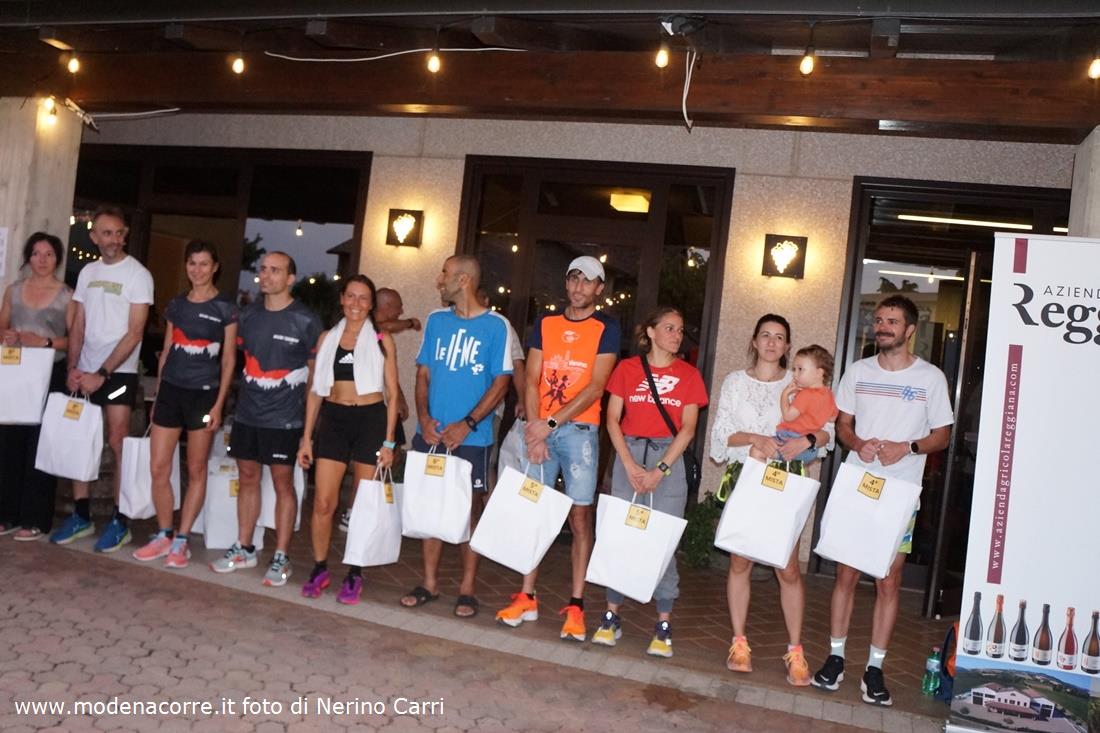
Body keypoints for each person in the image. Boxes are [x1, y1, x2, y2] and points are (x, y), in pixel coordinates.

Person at [811, 294, 953, 706]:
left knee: (888, 581)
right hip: (858, 485)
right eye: (879, 320)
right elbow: (843, 425)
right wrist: (857, 443)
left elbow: (942, 435)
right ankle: (836, 658)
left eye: (892, 321)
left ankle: (874, 668)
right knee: (846, 574)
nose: (883, 327)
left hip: (900, 494)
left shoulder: (930, 378)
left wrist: (907, 448)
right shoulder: (858, 371)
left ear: (910, 330)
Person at [496, 255, 620, 642]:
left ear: (599, 288)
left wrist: (548, 426)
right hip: (541, 428)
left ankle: (577, 604)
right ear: (566, 283)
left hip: (580, 431)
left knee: (580, 517)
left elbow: (596, 387)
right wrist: (535, 431)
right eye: (574, 278)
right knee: (535, 510)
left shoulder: (607, 328)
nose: (580, 287)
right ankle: (527, 596)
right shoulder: (546, 323)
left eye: (588, 281)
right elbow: (532, 378)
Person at [709, 314, 832, 686]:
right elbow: (722, 434)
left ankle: (796, 650)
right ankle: (739, 642)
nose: (772, 342)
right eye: (765, 335)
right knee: (740, 561)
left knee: (787, 567)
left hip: (785, 479)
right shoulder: (735, 381)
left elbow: (826, 429)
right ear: (754, 340)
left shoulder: (800, 382)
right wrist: (755, 438)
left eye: (779, 337)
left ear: (788, 345)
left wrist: (806, 441)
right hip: (747, 476)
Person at [400, 255, 512, 618]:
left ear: (463, 280)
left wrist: (468, 424)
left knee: (469, 511)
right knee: (430, 506)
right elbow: (423, 374)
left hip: (473, 439)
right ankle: (429, 583)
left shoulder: (497, 326)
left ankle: (467, 588)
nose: (439, 280)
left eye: (445, 274)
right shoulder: (436, 320)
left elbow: (501, 383)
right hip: (431, 434)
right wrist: (423, 418)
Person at [593, 307, 707, 657]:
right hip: (629, 455)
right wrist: (628, 464)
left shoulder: (689, 375)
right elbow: (612, 419)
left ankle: (663, 622)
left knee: (662, 540)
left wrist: (660, 470)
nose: (677, 335)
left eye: (680, 330)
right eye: (669, 328)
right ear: (651, 332)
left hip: (667, 459)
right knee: (620, 535)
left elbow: (688, 428)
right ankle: (611, 614)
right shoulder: (627, 369)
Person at [210, 251, 322, 587]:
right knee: (247, 477)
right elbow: (235, 361)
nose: (267, 275)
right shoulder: (248, 315)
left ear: (290, 279)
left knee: (283, 483)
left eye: (276, 270)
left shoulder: (306, 320)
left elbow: (315, 381)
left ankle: (281, 555)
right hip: (247, 414)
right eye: (263, 269)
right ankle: (244, 547)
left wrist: (308, 431)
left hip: (285, 419)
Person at [51, 206, 154, 552]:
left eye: (118, 233)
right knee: (80, 440)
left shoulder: (138, 274)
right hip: (85, 370)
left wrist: (102, 373)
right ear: (94, 237)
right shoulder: (88, 272)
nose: (113, 239)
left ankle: (120, 521)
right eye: (106, 233)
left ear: (125, 235)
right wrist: (73, 367)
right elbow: (78, 323)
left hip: (118, 372)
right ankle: (81, 515)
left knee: (117, 441)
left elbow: (135, 332)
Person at [131, 241, 238, 567]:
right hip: (171, 393)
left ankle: (182, 539)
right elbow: (166, 351)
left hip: (204, 395)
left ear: (215, 267)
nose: (197, 270)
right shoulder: (177, 305)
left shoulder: (225, 307)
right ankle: (164, 533)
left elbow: (229, 360)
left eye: (204, 264)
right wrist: (158, 395)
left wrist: (218, 405)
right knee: (158, 467)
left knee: (195, 469)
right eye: (192, 263)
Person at [297, 274, 399, 604]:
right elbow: (315, 391)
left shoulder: (382, 339)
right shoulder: (328, 338)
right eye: (350, 296)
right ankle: (320, 568)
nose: (356, 303)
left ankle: (355, 573)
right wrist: (306, 438)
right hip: (334, 420)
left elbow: (392, 394)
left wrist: (389, 443)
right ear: (342, 299)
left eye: (363, 298)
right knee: (324, 502)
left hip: (370, 420)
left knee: (363, 505)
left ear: (371, 305)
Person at [0, 233, 74, 541]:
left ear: (58, 259)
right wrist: (9, 336)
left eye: (48, 254)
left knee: (41, 445)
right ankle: (6, 513)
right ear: (28, 257)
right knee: (8, 441)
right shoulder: (14, 290)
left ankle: (35, 518)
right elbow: (2, 327)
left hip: (51, 372)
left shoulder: (67, 295)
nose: (42, 260)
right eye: (36, 253)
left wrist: (44, 342)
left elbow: (74, 340)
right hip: (15, 371)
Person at [748, 344, 837, 464]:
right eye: (794, 369)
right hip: (810, 449)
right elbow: (832, 418)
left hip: (790, 440)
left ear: (819, 373)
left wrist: (784, 395)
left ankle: (759, 476)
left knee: (756, 451)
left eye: (800, 369)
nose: (794, 374)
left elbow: (788, 416)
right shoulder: (830, 396)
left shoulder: (806, 394)